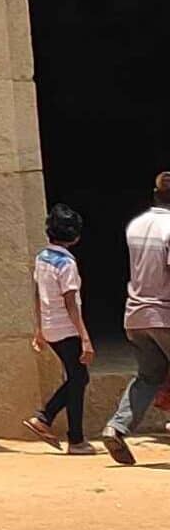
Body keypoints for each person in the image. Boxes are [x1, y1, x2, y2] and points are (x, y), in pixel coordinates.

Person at [100, 170, 170, 467]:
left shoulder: (136, 225)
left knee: (149, 376)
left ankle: (116, 427)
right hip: (164, 313)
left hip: (135, 315)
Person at [26, 205, 95, 453]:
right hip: (66, 329)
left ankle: (50, 421)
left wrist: (40, 328)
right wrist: (85, 338)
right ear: (75, 236)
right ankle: (70, 436)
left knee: (77, 378)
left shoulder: (41, 258)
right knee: (78, 379)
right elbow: (70, 303)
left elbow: (37, 294)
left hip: (51, 327)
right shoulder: (66, 264)